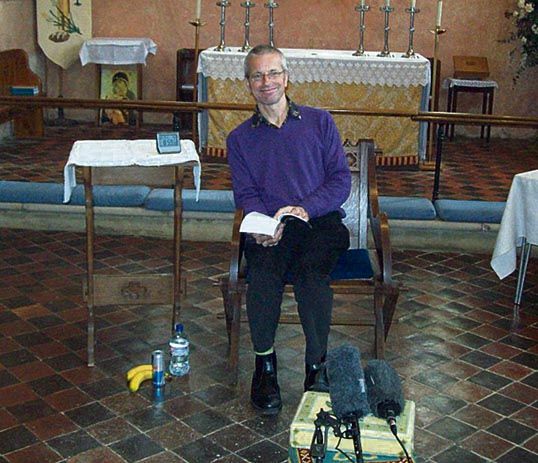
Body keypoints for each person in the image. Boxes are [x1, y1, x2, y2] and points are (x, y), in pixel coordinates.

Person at [226, 45, 351, 414]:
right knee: (263, 274)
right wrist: (264, 224)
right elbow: (246, 192)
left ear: (286, 76)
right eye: (257, 75)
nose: (267, 82)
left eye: (273, 73)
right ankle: (265, 368)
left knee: (312, 276)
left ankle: (316, 369)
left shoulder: (319, 121)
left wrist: (305, 208)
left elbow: (340, 181)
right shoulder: (240, 138)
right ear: (248, 83)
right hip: (272, 226)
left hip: (319, 223)